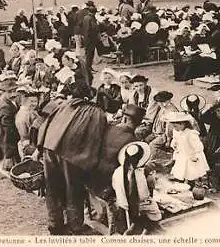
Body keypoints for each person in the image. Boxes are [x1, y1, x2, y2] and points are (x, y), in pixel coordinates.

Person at [37, 80, 108, 235]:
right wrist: (90, 163)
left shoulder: (62, 106)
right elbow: (96, 138)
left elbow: (44, 124)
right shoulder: (95, 112)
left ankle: (55, 224)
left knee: (52, 188)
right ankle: (75, 225)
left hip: (49, 148)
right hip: (72, 154)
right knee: (73, 190)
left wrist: (40, 147)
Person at [86, 104, 146, 234]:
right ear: (139, 124)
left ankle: (96, 209)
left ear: (124, 119)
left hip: (89, 175)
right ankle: (128, 220)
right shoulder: (133, 141)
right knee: (137, 180)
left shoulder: (108, 129)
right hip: (107, 184)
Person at [111, 141, 162, 235]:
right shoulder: (141, 172)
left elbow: (115, 187)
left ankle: (135, 224)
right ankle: (147, 228)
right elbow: (148, 191)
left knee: (140, 203)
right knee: (156, 213)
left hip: (123, 203)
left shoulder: (117, 171)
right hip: (137, 204)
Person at [164, 111, 210, 187]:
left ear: (183, 124)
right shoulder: (176, 131)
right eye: (174, 126)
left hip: (191, 156)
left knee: (191, 173)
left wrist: (196, 156)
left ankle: (193, 185)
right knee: (181, 171)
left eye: (176, 126)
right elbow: (175, 140)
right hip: (183, 155)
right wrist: (174, 144)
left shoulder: (190, 133)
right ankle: (182, 183)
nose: (175, 128)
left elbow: (198, 147)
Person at [0, 73, 21, 171]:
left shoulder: (12, 101)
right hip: (10, 140)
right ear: (4, 92)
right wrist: (8, 154)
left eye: (15, 91)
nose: (13, 94)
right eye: (9, 92)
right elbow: (8, 131)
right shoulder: (5, 107)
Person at [15, 86, 42, 158]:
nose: (34, 104)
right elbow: (24, 135)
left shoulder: (32, 112)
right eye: (31, 101)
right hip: (28, 145)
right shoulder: (22, 114)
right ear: (25, 101)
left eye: (36, 101)